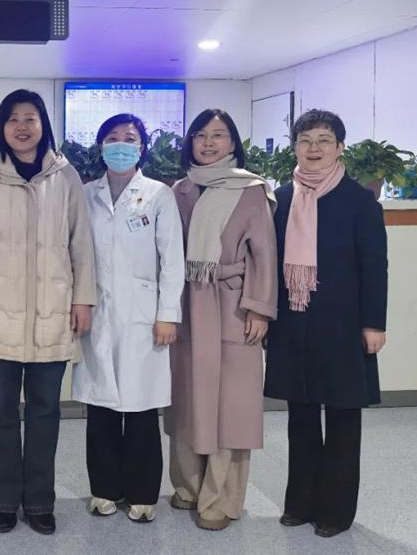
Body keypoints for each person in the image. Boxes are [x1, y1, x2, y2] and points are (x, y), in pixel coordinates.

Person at [0, 89, 97, 535]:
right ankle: (3, 501)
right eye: (13, 118)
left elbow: (81, 243)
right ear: (2, 126)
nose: (22, 126)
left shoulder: (66, 176)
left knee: (45, 413)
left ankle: (39, 501)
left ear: (43, 125)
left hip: (52, 313)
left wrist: (83, 299)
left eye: (30, 118)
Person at [265, 109, 387, 539]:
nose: (313, 148)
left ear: (339, 147)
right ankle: (300, 503)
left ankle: (337, 511)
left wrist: (374, 323)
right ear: (294, 147)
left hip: (343, 326)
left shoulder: (359, 201)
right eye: (305, 140)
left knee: (342, 419)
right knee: (300, 417)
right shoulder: (281, 199)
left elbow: (374, 267)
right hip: (293, 323)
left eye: (323, 140)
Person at [164, 108, 277, 531]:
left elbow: (264, 254)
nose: (209, 143)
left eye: (219, 135)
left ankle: (221, 497)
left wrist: (259, 308)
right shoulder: (179, 190)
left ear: (233, 143)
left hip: (231, 306)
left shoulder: (251, 190)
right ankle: (188, 486)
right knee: (187, 401)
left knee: (231, 406)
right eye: (201, 135)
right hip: (185, 307)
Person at [71, 114, 184, 523]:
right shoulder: (85, 194)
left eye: (130, 138)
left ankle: (142, 493)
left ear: (142, 148)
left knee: (140, 408)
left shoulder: (158, 195)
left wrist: (167, 314)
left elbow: (172, 260)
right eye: (113, 138)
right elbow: (74, 253)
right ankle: (104, 490)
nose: (121, 145)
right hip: (97, 311)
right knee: (100, 407)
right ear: (100, 146)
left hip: (144, 314)